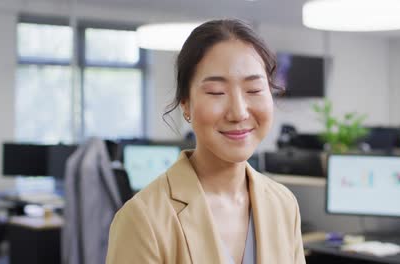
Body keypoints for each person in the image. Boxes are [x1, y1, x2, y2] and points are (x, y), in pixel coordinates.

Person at [106, 19, 306, 264]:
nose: (239, 112)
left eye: (253, 90)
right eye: (216, 93)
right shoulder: (143, 218)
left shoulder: (283, 204)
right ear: (186, 105)